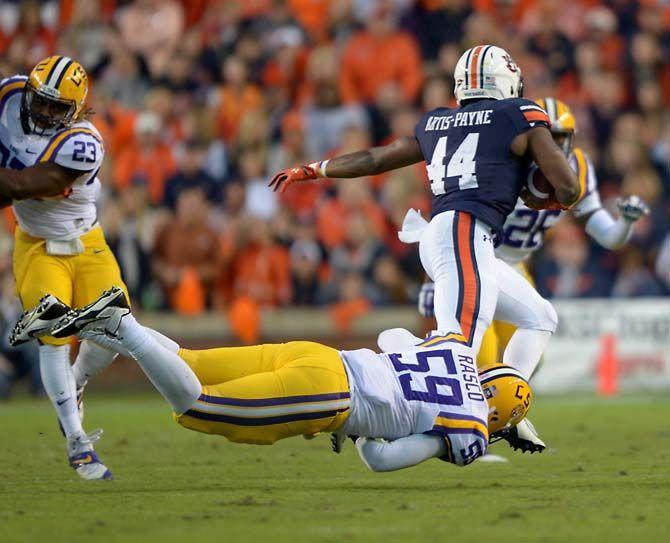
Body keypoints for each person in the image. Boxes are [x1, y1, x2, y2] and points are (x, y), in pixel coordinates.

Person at [270, 45, 580, 452]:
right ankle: (353, 406)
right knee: (456, 357)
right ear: (505, 81)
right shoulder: (519, 113)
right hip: (465, 233)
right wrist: (549, 195)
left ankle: (504, 412)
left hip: (448, 235)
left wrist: (314, 169)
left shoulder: (438, 121)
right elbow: (570, 187)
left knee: (539, 315)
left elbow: (375, 159)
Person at [21, 286, 533, 472]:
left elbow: (395, 335)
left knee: (190, 363)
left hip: (322, 357)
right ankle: (121, 327)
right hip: (331, 397)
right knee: (197, 407)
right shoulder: (470, 427)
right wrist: (361, 429)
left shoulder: (455, 349)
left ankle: (88, 321)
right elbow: (382, 459)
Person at [418, 98, 650, 366]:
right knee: (479, 358)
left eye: (558, 139)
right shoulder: (502, 164)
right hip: (474, 259)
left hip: (514, 266)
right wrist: (431, 279)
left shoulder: (576, 169)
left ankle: (503, 406)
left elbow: (608, 236)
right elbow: (450, 215)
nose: (549, 147)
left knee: (530, 354)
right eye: (544, 137)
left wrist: (625, 223)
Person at [0, 55, 130, 480]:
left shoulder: (83, 141)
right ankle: (78, 442)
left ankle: (73, 384)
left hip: (87, 242)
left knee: (114, 333)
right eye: (41, 100)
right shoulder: (8, 95)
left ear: (75, 110)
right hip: (36, 244)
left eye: (57, 107)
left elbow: (21, 185)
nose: (43, 111)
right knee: (53, 337)